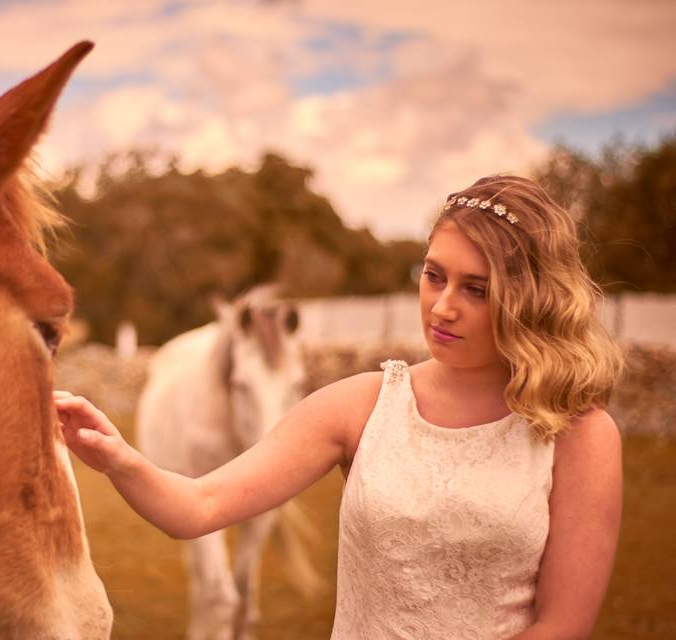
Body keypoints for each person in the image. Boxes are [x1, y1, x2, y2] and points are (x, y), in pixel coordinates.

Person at [55, 175, 624, 639]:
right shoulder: (361, 405)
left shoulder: (580, 435)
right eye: (433, 276)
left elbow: (563, 624)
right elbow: (201, 506)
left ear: (531, 297)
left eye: (475, 288)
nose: (442, 307)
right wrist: (119, 458)